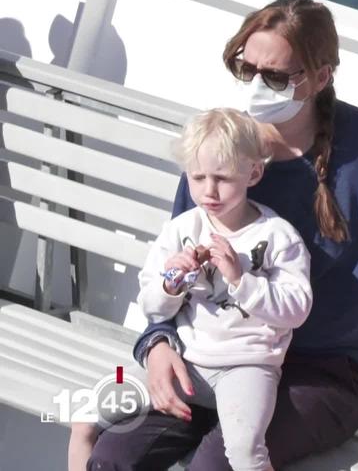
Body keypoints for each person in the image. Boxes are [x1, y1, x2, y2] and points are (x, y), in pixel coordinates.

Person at [86, 0, 358, 470]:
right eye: (245, 68)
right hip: (210, 354)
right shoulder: (222, 154)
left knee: (217, 464)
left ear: (320, 77)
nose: (255, 85)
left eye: (274, 76)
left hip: (324, 375)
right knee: (113, 454)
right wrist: (157, 343)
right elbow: (173, 265)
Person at [69, 108, 312, 471]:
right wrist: (170, 284)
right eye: (198, 177)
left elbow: (298, 309)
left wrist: (240, 280)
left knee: (246, 452)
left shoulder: (278, 236)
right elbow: (150, 305)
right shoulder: (182, 229)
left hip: (247, 369)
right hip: (185, 364)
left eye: (222, 178)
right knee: (85, 409)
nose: (209, 190)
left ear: (254, 173)